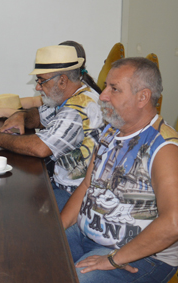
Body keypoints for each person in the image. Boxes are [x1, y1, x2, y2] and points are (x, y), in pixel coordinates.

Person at [60, 57, 178, 282]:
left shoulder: (164, 149)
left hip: (140, 255)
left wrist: (114, 259)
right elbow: (87, 185)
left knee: (78, 278)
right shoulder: (111, 130)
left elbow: (174, 222)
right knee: (40, 248)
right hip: (89, 235)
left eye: (114, 89)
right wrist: (56, 231)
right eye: (106, 86)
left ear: (143, 96)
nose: (103, 95)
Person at [0, 45, 104, 211]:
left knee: (16, 208)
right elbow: (40, 116)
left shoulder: (78, 108)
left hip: (75, 193)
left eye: (41, 81)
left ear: (62, 81)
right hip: (60, 179)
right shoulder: (70, 95)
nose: (37, 87)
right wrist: (22, 116)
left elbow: (41, 147)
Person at [0, 40, 101, 119]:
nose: (38, 87)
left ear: (63, 79)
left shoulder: (79, 100)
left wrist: (5, 112)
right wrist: (0, 104)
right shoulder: (65, 90)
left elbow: (40, 118)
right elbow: (34, 102)